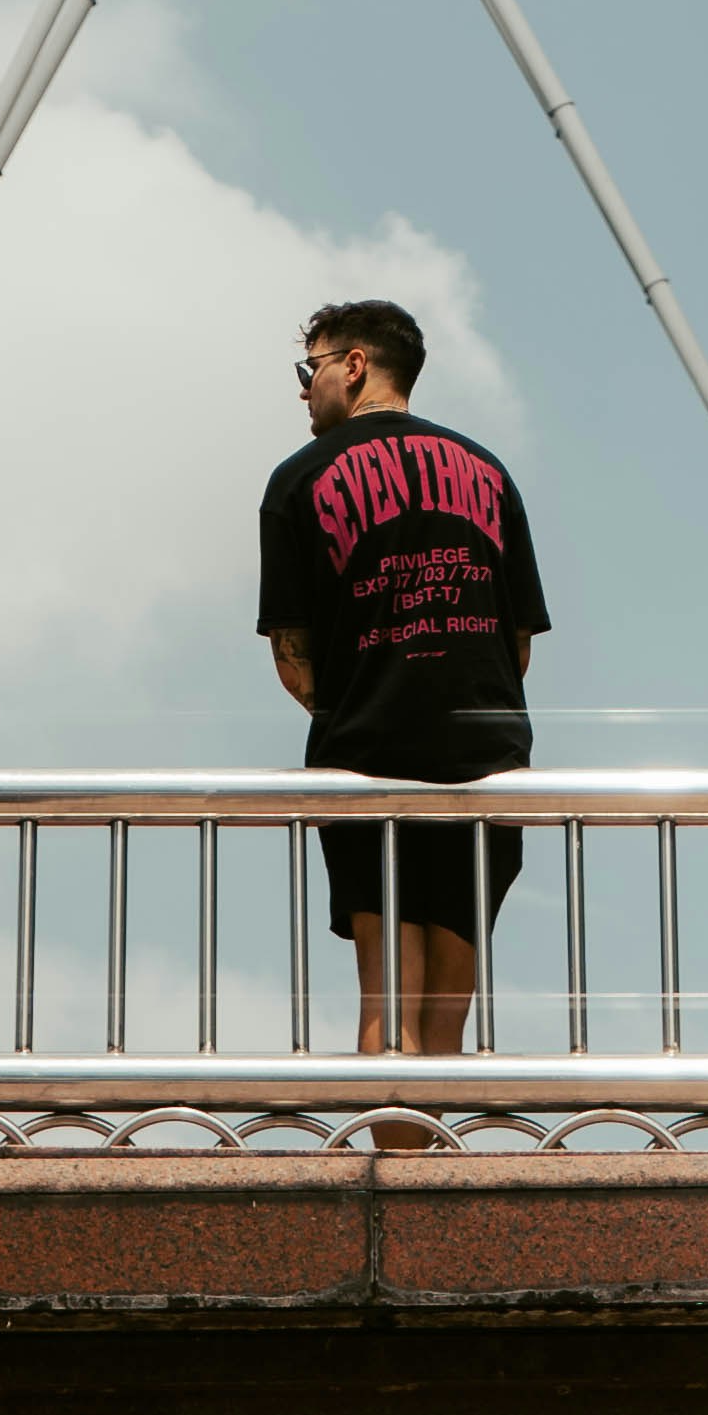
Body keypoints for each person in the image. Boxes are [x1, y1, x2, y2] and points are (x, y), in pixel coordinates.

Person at [257, 296, 548, 1072]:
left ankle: (394, 1194)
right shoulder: (488, 471)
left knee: (388, 1016)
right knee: (448, 1027)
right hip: (484, 761)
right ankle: (438, 1189)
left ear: (354, 366)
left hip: (367, 760)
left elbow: (293, 659)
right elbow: (517, 644)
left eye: (308, 367)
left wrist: (366, 696)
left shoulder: (299, 480)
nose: (301, 388)